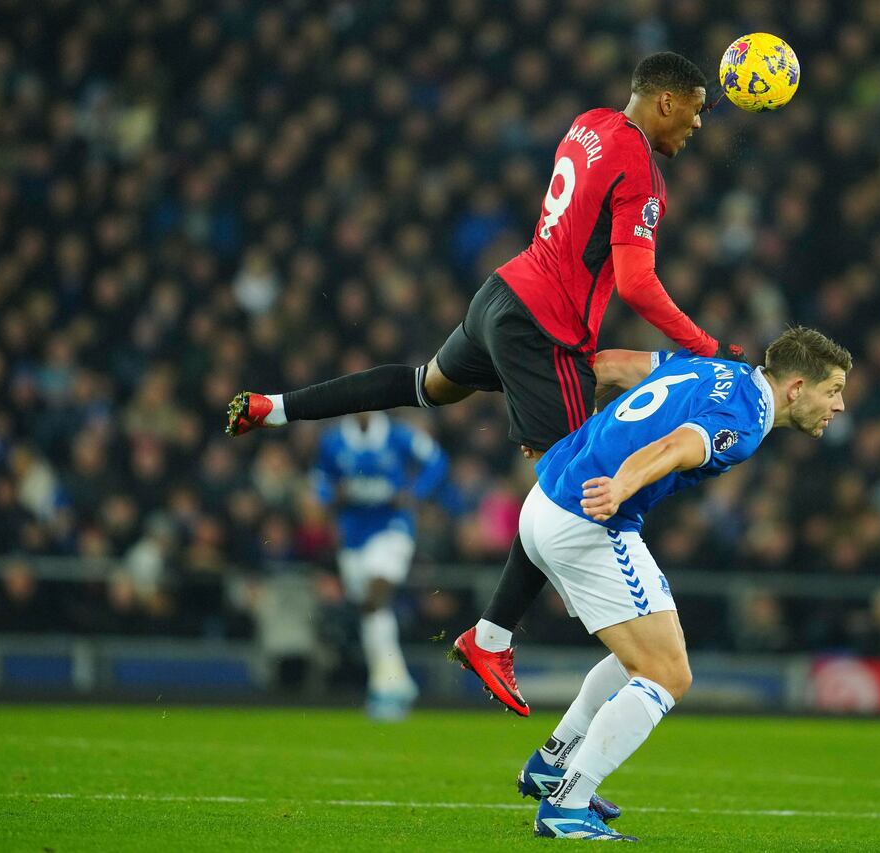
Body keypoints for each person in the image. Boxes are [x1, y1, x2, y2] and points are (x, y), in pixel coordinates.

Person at [225, 52, 743, 718]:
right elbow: (637, 283)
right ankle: (491, 638)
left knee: (426, 386)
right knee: (568, 490)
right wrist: (708, 348)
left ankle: (273, 407)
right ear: (666, 101)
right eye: (696, 110)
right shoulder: (641, 170)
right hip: (546, 329)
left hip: (500, 295)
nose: (699, 125)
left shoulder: (590, 123)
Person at [512, 326, 850, 840]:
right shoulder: (745, 420)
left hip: (544, 500)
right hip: (591, 515)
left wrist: (561, 431)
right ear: (797, 388)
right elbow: (675, 446)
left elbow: (608, 365)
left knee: (643, 656)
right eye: (833, 391)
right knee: (667, 674)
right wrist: (619, 484)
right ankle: (567, 805)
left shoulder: (715, 367)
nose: (839, 405)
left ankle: (553, 763)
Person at [312, 411, 453, 720]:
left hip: (392, 528)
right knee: (371, 612)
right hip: (352, 535)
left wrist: (415, 493)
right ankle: (393, 683)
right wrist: (330, 498)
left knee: (376, 596)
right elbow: (321, 479)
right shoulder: (333, 441)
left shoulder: (398, 435)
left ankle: (389, 684)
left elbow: (437, 460)